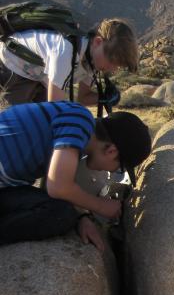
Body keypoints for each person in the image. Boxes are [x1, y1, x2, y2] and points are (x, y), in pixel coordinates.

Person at [0, 100, 151, 252]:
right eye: (119, 168)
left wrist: (80, 216)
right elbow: (58, 187)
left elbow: (54, 189)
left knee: (63, 211)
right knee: (60, 213)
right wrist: (100, 205)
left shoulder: (76, 133)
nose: (112, 172)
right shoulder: (80, 120)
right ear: (111, 151)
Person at [0, 19, 138, 107]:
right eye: (112, 61)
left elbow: (83, 98)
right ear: (97, 42)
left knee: (39, 125)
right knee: (13, 123)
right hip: (13, 62)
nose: (112, 69)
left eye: (118, 66)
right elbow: (54, 107)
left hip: (38, 75)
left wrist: (103, 97)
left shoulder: (92, 63)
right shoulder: (65, 52)